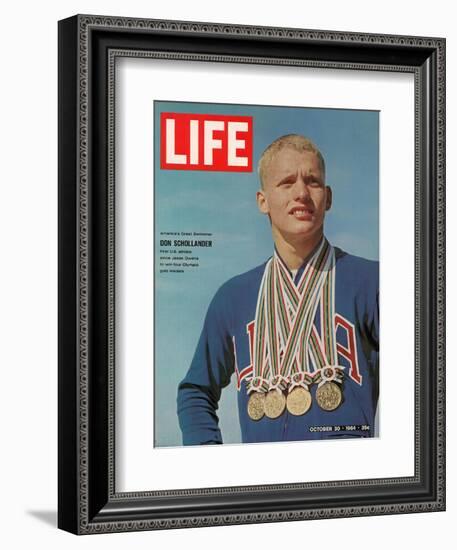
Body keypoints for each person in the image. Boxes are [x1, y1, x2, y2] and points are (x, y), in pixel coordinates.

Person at [177, 134, 379, 445]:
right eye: (286, 182)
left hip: (346, 482)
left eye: (312, 181)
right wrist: (208, 461)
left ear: (328, 196)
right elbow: (196, 391)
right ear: (263, 200)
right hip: (265, 485)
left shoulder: (372, 281)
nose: (301, 192)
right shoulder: (232, 297)